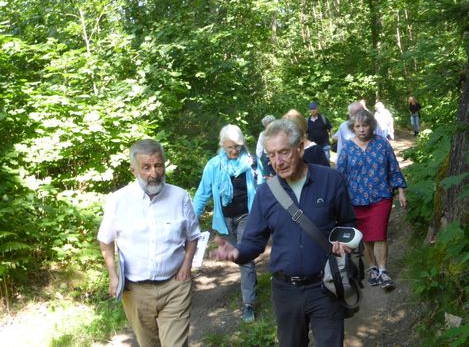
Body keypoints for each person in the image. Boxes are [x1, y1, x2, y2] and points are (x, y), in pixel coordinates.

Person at [211, 119, 356, 347]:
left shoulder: (331, 180)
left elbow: (349, 223)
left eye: (284, 152)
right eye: (271, 155)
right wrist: (236, 252)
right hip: (286, 291)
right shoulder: (266, 194)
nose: (277, 162)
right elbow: (254, 242)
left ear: (299, 148)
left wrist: (344, 241)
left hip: (326, 285)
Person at [98, 139, 201, 347]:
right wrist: (112, 274)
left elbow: (193, 236)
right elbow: (105, 240)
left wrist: (186, 266)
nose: (154, 174)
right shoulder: (118, 201)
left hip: (175, 287)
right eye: (146, 167)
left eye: (158, 165)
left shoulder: (180, 197)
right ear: (133, 170)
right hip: (135, 291)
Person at [193, 124, 261, 322]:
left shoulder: (250, 163)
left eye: (237, 146)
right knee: (237, 257)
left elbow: (263, 188)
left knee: (245, 258)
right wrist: (190, 220)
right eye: (229, 147)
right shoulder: (214, 165)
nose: (233, 151)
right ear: (222, 145)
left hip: (247, 216)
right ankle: (251, 281)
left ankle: (249, 303)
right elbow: (202, 193)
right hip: (225, 220)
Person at [336, 109, 407, 291]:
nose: (361, 129)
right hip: (356, 200)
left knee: (379, 234)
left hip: (381, 196)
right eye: (358, 126)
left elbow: (393, 167)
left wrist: (400, 191)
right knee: (366, 237)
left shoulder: (382, 143)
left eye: (365, 125)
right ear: (353, 127)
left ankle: (383, 271)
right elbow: (340, 176)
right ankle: (372, 267)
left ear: (371, 126)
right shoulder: (348, 148)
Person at [257, 114, 276, 179]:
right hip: (267, 157)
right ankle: (273, 187)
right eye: (267, 124)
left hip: (277, 156)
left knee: (277, 175)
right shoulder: (262, 134)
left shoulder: (278, 133)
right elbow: (259, 148)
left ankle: (280, 187)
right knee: (269, 177)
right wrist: (257, 159)